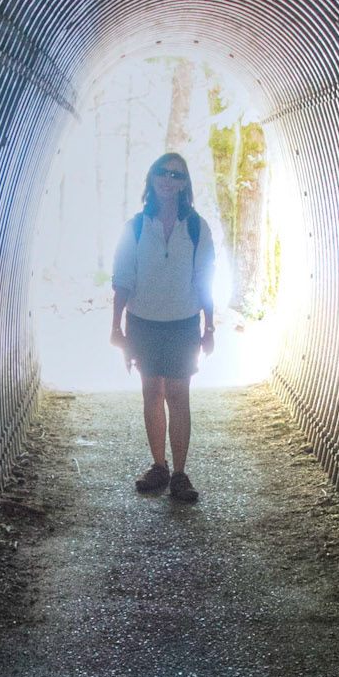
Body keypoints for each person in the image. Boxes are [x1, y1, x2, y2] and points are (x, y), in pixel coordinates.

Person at [110, 152, 217, 501]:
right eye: (162, 173)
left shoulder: (197, 228)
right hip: (143, 322)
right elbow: (123, 279)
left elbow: (205, 280)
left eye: (176, 175)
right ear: (152, 178)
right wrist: (116, 326)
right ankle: (159, 466)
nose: (168, 180)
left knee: (178, 395)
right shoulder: (135, 227)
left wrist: (209, 327)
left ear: (185, 183)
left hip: (183, 323)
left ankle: (180, 474)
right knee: (151, 393)